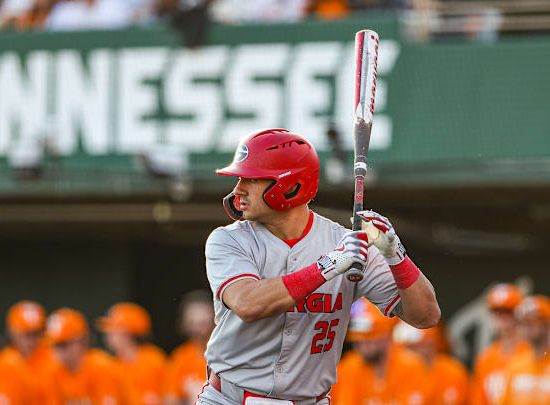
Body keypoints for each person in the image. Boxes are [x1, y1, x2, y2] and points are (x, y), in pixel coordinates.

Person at [199, 128, 440, 405]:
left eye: (251, 178)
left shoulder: (345, 243)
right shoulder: (228, 239)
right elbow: (249, 303)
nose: (238, 189)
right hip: (229, 398)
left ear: (290, 187)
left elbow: (426, 316)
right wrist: (329, 265)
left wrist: (396, 256)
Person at [331, 298, 428, 405]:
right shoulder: (348, 367)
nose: (362, 347)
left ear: (386, 337)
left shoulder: (410, 365)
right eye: (358, 341)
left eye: (369, 340)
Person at [42, 308, 123, 405]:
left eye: (63, 344)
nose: (58, 351)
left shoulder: (102, 367)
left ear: (81, 341)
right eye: (54, 345)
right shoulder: (51, 372)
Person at [470, 283, 531, 405]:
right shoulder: (486, 358)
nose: (502, 317)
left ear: (519, 313)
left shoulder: (533, 352)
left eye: (507, 311)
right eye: (497, 311)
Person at [97, 302, 167, 405]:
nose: (107, 335)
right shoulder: (113, 365)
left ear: (127, 333)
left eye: (112, 330)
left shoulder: (154, 359)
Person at [394, 322, 469, 405]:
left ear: (429, 345)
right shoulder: (400, 374)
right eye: (401, 349)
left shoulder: (452, 372)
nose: (404, 354)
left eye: (411, 348)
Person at [165, 290, 215, 405]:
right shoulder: (181, 356)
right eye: (194, 322)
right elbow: (171, 398)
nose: (199, 327)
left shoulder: (227, 353)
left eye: (203, 322)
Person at [498, 295, 550, 405]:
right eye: (524, 321)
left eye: (533, 320)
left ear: (546, 324)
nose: (527, 326)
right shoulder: (515, 365)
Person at [0, 300, 57, 376]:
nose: (32, 340)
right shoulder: (2, 360)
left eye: (36, 333)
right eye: (27, 334)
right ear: (12, 332)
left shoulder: (54, 355)